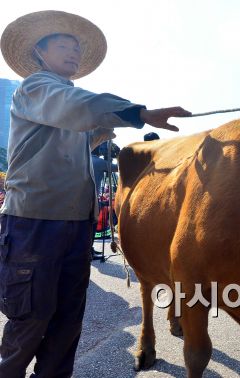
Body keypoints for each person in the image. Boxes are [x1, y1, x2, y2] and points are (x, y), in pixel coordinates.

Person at [0, 10, 191, 377]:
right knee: (30, 320)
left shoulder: (64, 101)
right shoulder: (36, 87)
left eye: (76, 48)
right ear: (39, 53)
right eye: (63, 46)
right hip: (34, 222)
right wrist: (138, 113)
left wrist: (104, 128)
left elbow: (83, 127)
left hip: (75, 225)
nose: (73, 53)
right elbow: (79, 108)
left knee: (68, 320)